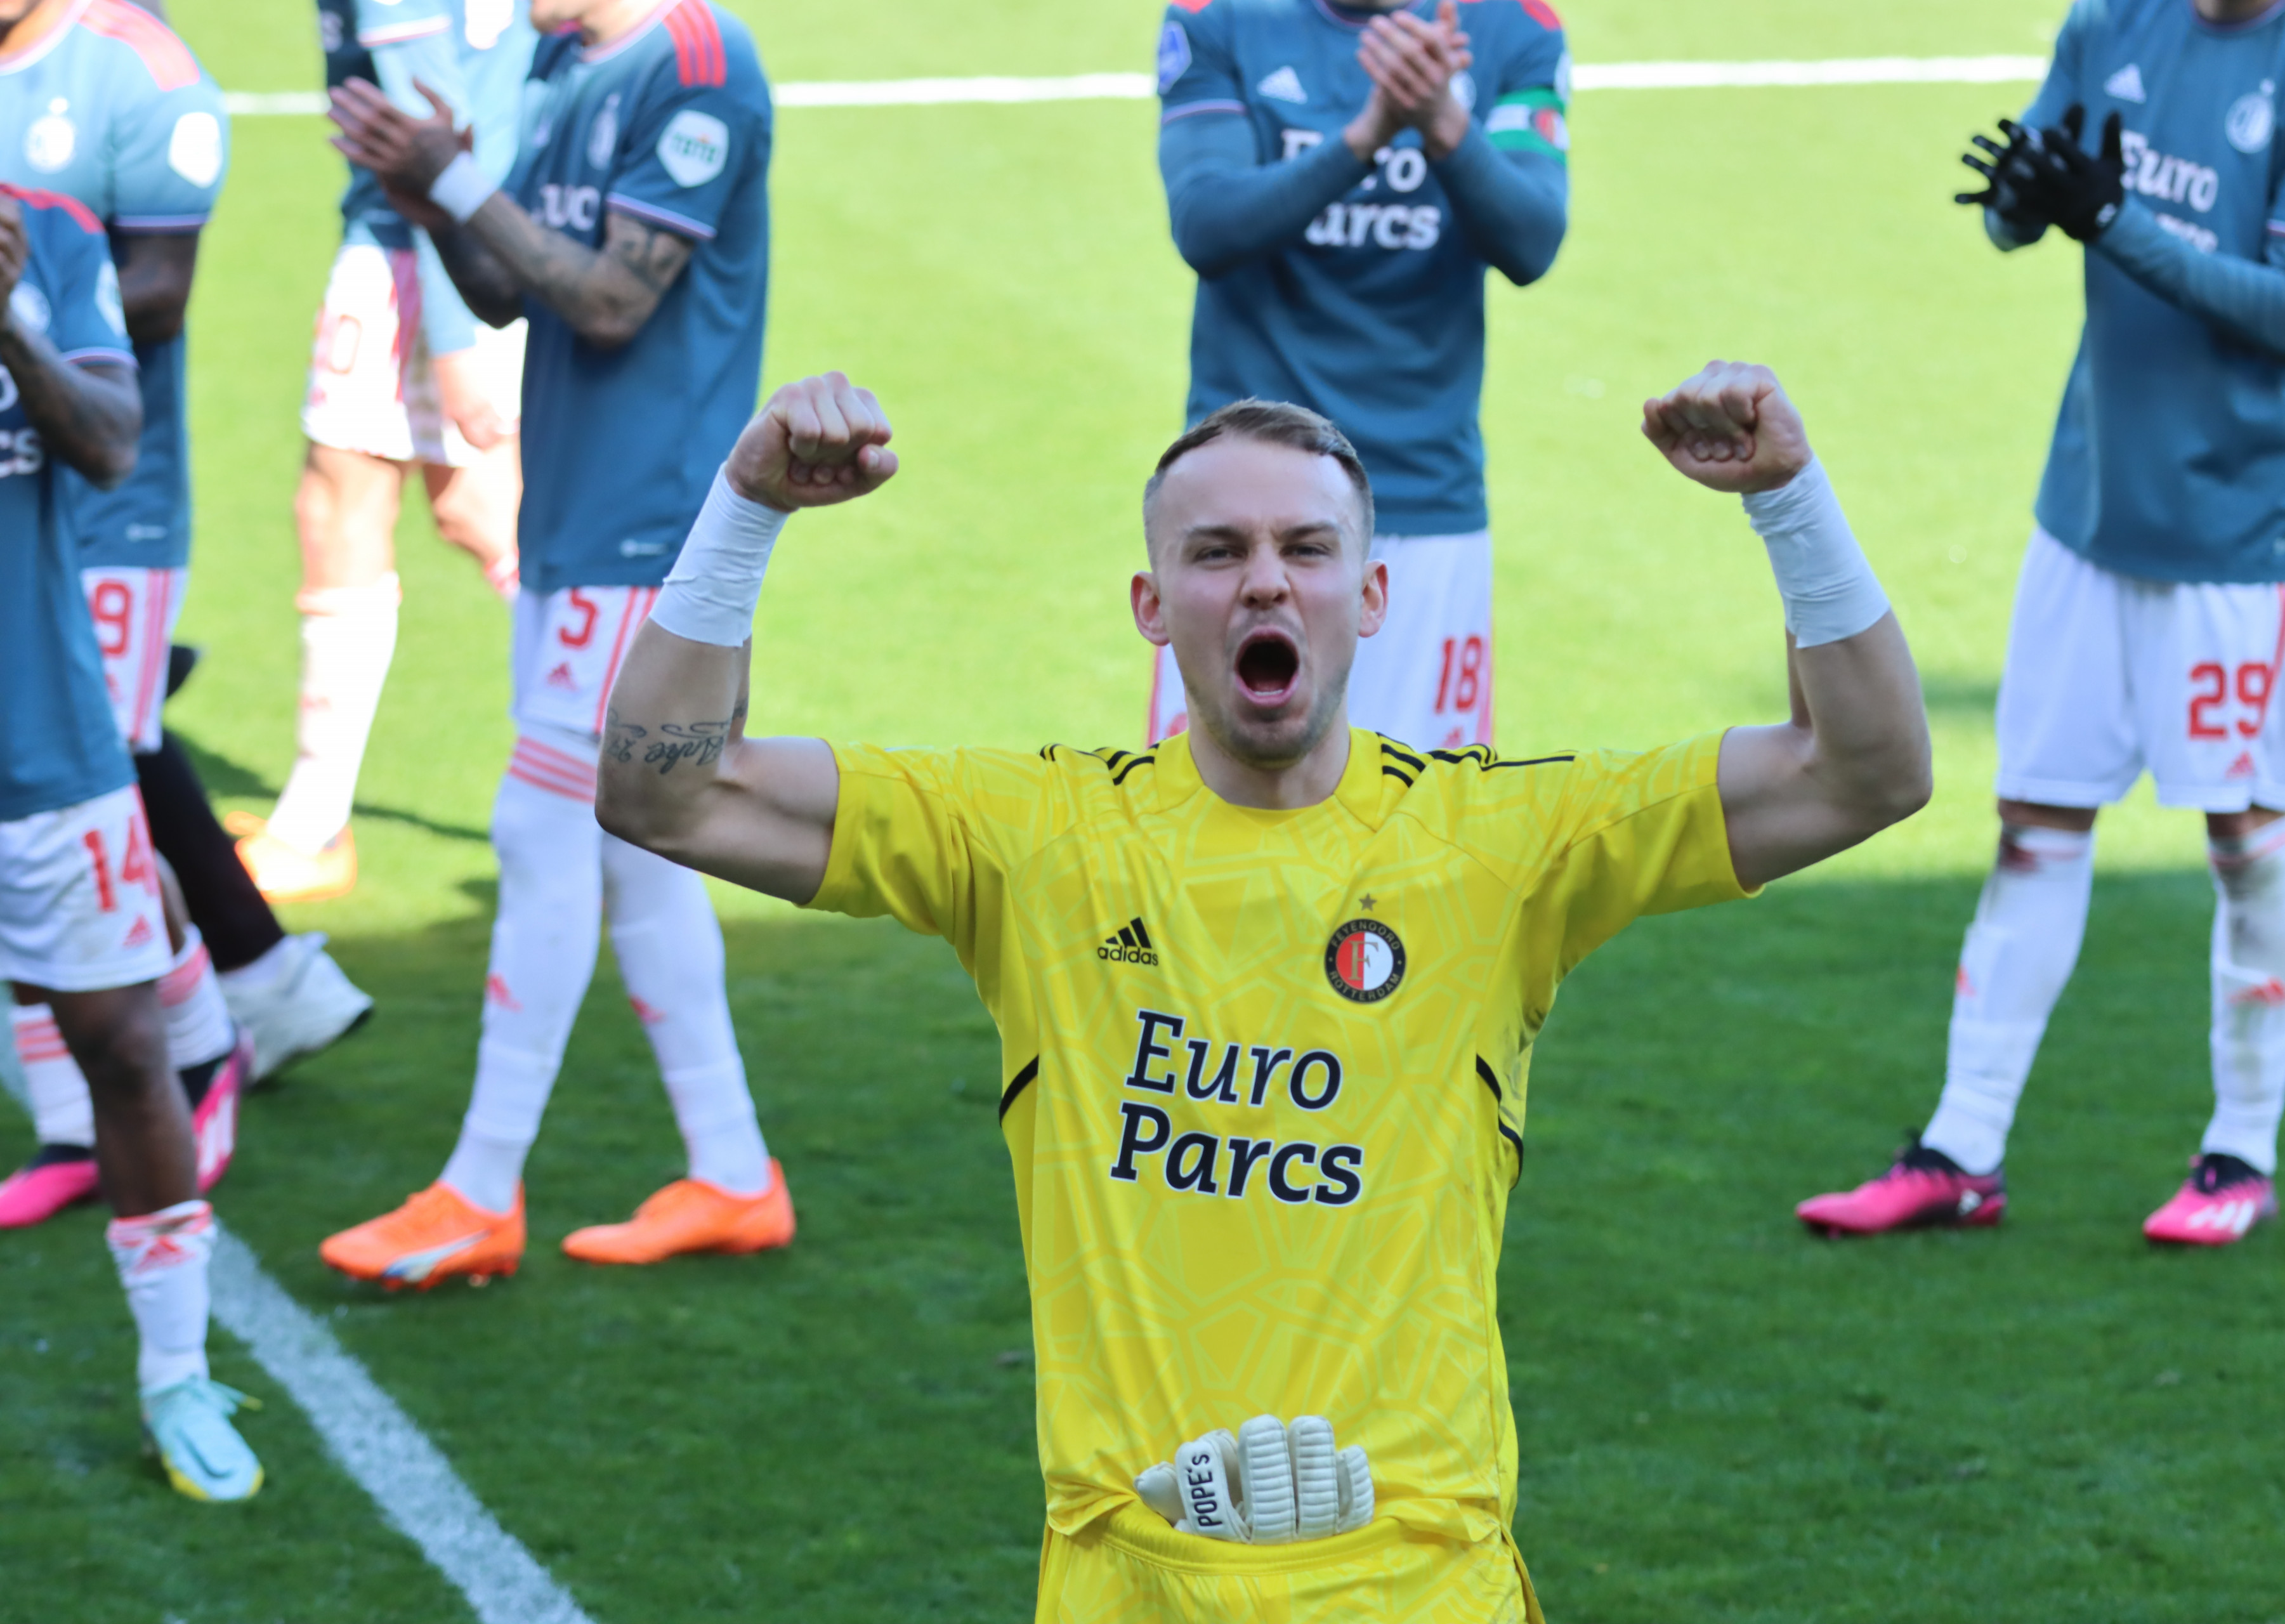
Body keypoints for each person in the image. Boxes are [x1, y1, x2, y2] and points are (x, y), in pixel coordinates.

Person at [594, 360, 1931, 1616]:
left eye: (1306, 548)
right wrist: (749, 510)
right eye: (1217, 551)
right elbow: (669, 792)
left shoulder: (1502, 845)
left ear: (1373, 593)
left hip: (1417, 1586)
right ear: (1151, 603)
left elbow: (1866, 771)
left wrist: (1787, 498)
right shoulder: (1035, 842)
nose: (1265, 583)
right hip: (1135, 1579)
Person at [1797, 0, 2285, 1246]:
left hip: (2240, 538)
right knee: (2036, 826)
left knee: (2244, 832)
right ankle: (1962, 1149)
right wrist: (2022, 199)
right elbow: (2027, 207)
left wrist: (2116, 222)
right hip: (2089, 509)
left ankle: (2241, 1155)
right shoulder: (2112, 21)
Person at [313, 0, 792, 1287]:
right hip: (577, 517)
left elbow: (615, 299)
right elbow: (511, 287)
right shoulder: (559, 59)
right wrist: (432, 198)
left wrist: (460, 179)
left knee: (539, 831)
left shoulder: (700, 65)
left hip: (653, 531)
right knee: (640, 857)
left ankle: (478, 1192)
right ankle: (734, 1171)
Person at [0, 0, 372, 1231]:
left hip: (109, 501)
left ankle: (211, 1036)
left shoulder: (140, 72)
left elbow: (156, 294)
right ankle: (89, 1112)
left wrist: (23, 293)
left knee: (92, 798)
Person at [1, 183, 263, 1501]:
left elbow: (111, 441)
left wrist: (8, 323)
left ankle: (177, 1374)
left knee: (122, 1047)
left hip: (48, 745)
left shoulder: (44, 229)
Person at [1146, 0, 1571, 753]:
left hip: (1422, 503)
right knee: (1215, 805)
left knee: (1427, 811)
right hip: (1241, 514)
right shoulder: (1218, 15)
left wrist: (1444, 125)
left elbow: (1531, 240)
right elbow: (1207, 223)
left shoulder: (1514, 25)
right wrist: (1366, 136)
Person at [232, 0, 537, 905]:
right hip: (465, 244)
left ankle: (315, 828)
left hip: (420, 258)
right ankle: (648, 768)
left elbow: (425, 138)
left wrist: (457, 339)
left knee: (397, 510)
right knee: (472, 513)